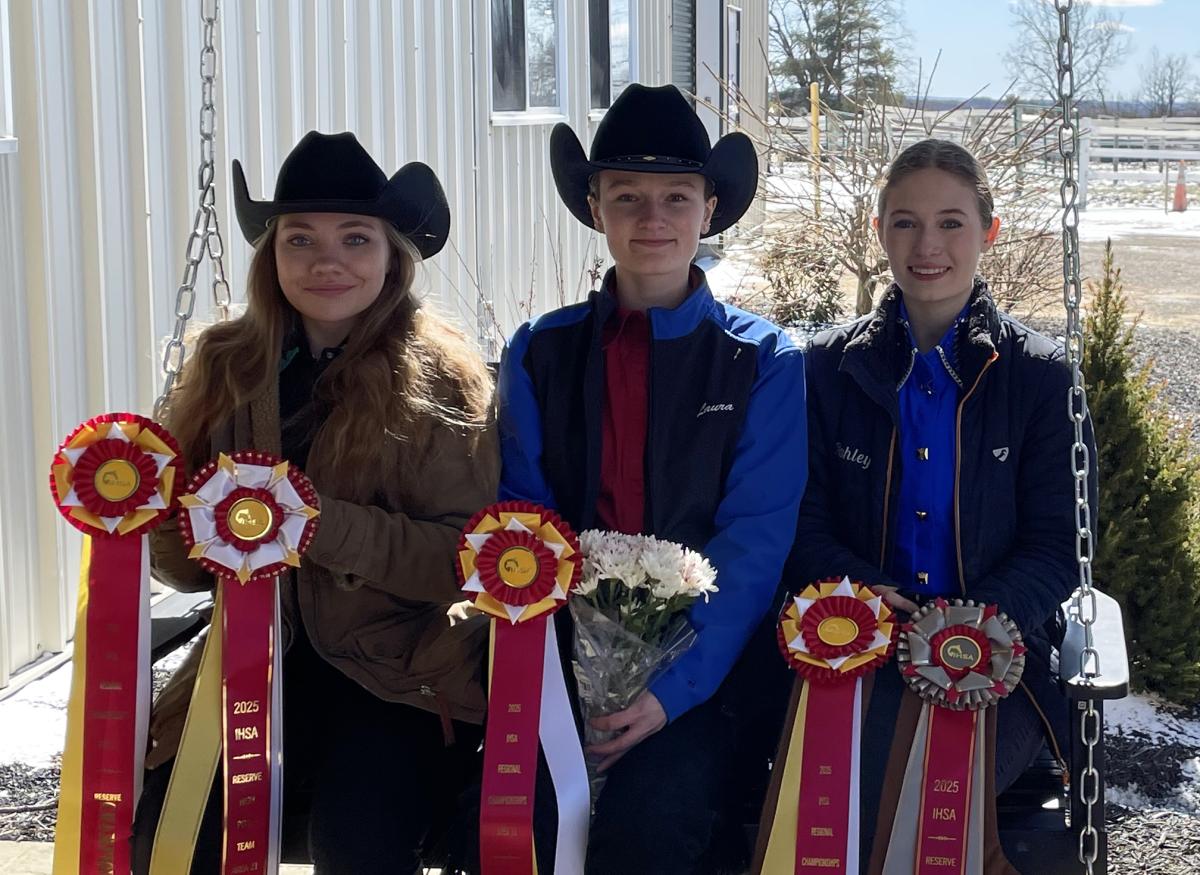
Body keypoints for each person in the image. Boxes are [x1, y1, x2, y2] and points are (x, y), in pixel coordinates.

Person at [130, 131, 498, 875]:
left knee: (355, 841)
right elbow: (186, 571)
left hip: (399, 672)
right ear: (273, 256)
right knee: (168, 833)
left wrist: (318, 526)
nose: (326, 260)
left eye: (355, 238)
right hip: (251, 661)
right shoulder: (226, 366)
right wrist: (165, 517)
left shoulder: (442, 381)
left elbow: (462, 556)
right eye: (300, 239)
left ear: (394, 255)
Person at [495, 83, 809, 873]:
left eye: (676, 196)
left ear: (709, 211)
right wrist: (561, 671)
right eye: (626, 196)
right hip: (558, 661)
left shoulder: (763, 362)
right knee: (512, 816)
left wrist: (671, 692)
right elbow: (524, 517)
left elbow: (754, 540)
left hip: (705, 673)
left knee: (652, 826)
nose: (652, 218)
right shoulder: (540, 352)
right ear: (595, 207)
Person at [787, 138, 1097, 865]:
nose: (927, 245)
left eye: (951, 222)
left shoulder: (1043, 380)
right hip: (850, 648)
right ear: (878, 231)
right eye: (904, 222)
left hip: (1000, 661)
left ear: (988, 231)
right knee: (843, 778)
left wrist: (972, 621)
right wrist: (864, 592)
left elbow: (1060, 547)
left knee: (903, 783)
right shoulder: (825, 370)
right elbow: (801, 523)